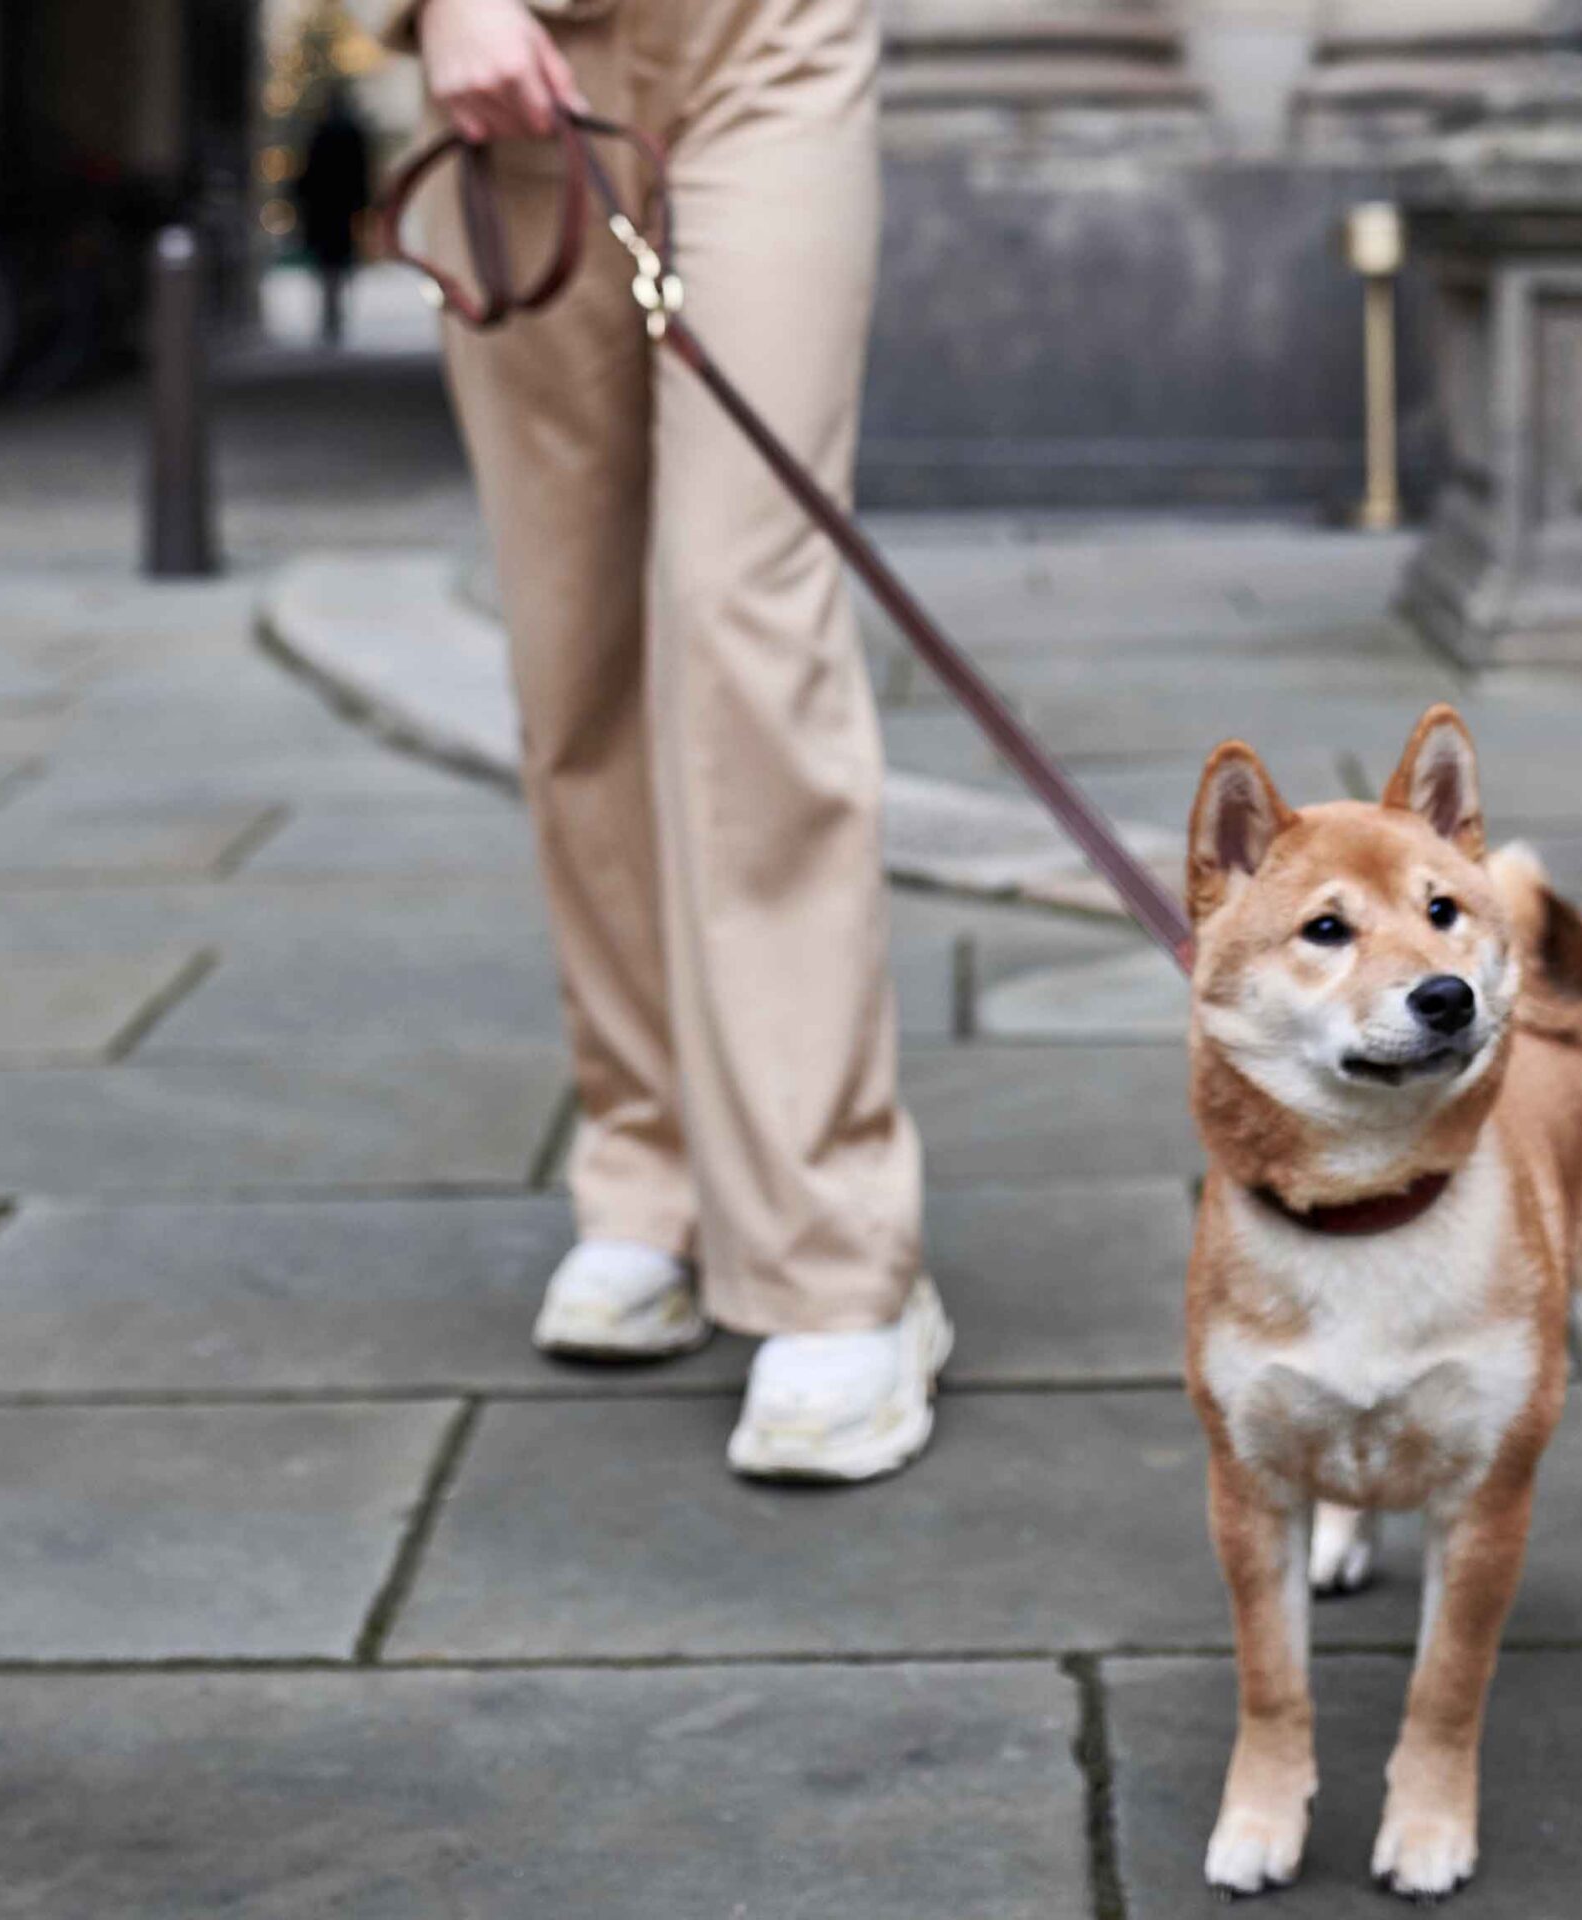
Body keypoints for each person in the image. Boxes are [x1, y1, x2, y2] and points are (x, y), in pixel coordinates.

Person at [370, 0, 945, 1482]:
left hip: (768, 41)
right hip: (511, 67)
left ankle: (833, 1253)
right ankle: (652, 1178)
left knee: (745, 615)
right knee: (574, 660)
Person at [295, 86, 373, 347]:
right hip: (340, 207)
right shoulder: (351, 132)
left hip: (324, 207)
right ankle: (335, 311)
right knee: (338, 260)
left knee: (328, 262)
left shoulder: (321, 132)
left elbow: (307, 173)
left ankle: (331, 311)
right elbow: (362, 172)